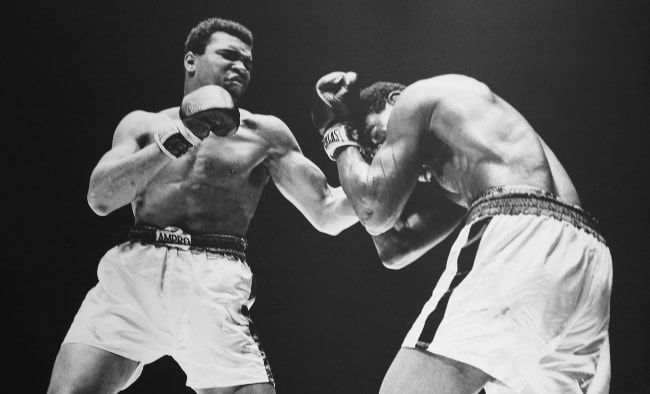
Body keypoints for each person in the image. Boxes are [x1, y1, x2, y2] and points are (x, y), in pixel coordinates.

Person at [47, 18, 358, 394]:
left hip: (214, 283)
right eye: (228, 55)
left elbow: (327, 210)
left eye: (248, 62)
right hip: (134, 278)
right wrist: (178, 138)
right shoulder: (143, 124)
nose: (241, 66)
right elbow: (100, 198)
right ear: (190, 61)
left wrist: (362, 156)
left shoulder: (265, 133)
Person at [311, 71, 612, 393]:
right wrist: (367, 177)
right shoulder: (478, 163)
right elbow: (395, 246)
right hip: (589, 260)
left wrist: (337, 133)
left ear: (394, 102)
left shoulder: (418, 99)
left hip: (521, 238)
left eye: (377, 137)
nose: (382, 154)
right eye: (372, 154)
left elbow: (372, 210)